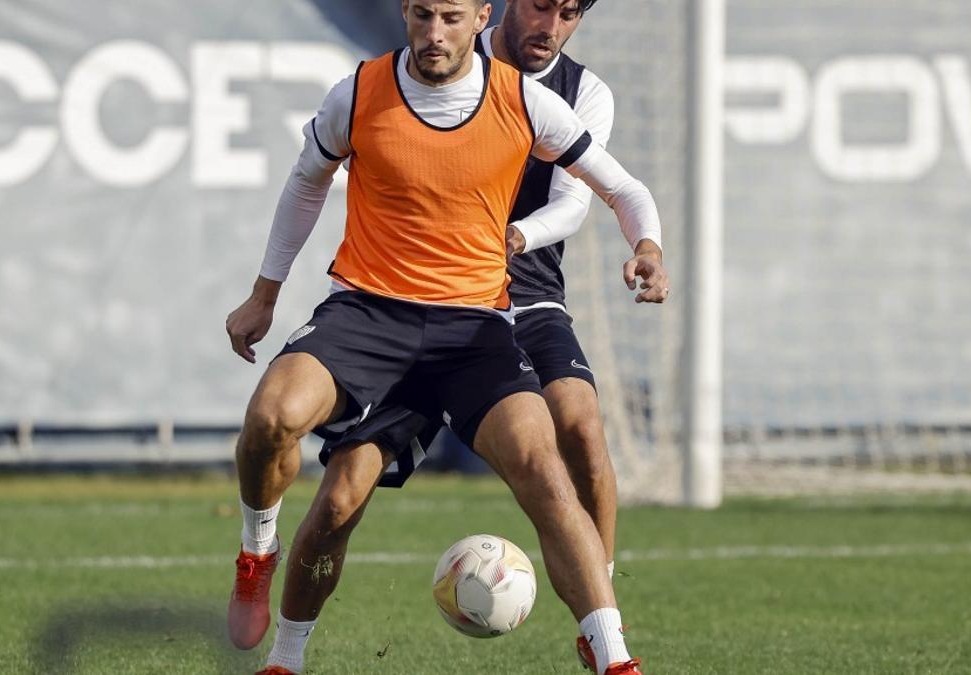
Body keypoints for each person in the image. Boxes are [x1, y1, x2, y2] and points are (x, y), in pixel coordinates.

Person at [225, 1, 666, 673]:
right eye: (424, 15)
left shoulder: (526, 100)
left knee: (546, 463)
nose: (436, 34)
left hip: (473, 330)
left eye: (452, 18)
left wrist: (648, 247)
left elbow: (622, 189)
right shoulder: (361, 91)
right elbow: (306, 181)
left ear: (480, 17)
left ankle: (615, 658)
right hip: (368, 316)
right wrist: (265, 295)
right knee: (284, 433)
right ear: (405, 13)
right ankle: (263, 570)